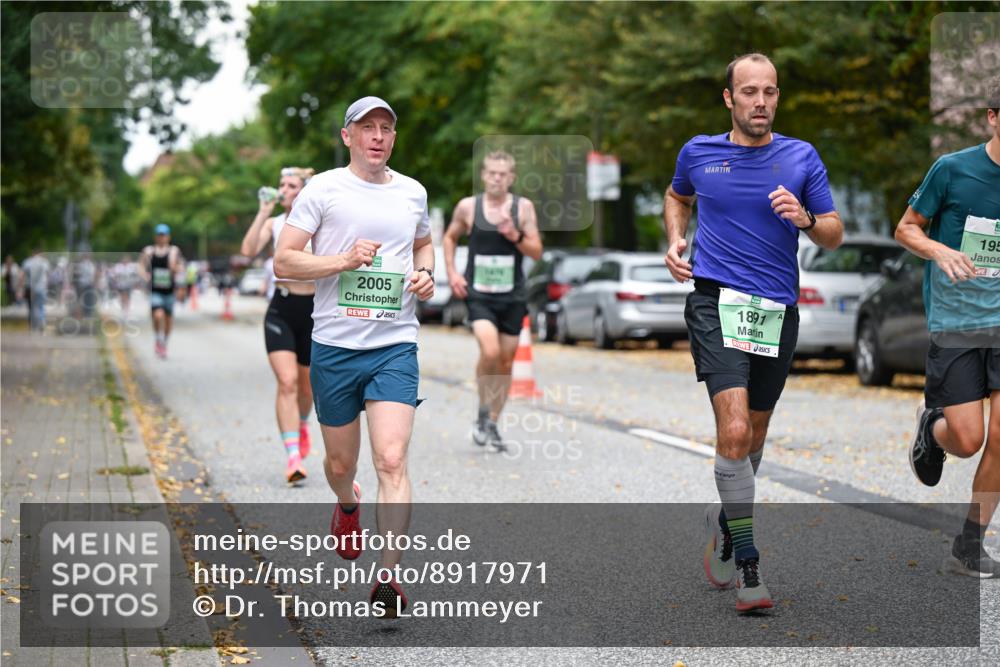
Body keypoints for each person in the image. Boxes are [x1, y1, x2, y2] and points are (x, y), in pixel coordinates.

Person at [664, 53, 843, 612]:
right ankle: (748, 566)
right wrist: (676, 238)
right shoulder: (699, 152)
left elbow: (835, 232)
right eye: (749, 92)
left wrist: (806, 220)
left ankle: (727, 521)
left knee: (754, 439)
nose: (760, 101)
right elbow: (677, 196)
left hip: (775, 309)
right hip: (715, 302)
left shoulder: (800, 157)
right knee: (735, 431)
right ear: (729, 99)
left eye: (769, 92)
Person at [276, 96, 434, 618]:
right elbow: (284, 262)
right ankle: (347, 503)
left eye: (387, 128)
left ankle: (388, 576)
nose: (378, 136)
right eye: (367, 127)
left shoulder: (413, 192)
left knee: (392, 458)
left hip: (394, 344)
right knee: (342, 463)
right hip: (335, 348)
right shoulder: (323, 189)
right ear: (347, 136)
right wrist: (343, 259)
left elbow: (424, 245)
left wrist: (426, 275)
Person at [896, 96, 1000, 578]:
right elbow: (907, 229)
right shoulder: (953, 170)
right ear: (993, 118)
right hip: (957, 322)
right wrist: (939, 250)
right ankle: (932, 428)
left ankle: (969, 544)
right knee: (967, 439)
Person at [443, 150, 543, 450]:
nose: (497, 178)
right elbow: (449, 237)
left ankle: (492, 422)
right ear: (484, 175)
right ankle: (482, 410)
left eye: (503, 174)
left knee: (506, 361)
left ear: (511, 178)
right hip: (479, 294)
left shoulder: (523, 208)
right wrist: (453, 273)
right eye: (492, 173)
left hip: (512, 296)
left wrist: (514, 235)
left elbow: (536, 251)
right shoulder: (468, 207)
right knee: (490, 350)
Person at [240, 166, 318, 484]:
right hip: (281, 309)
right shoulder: (275, 224)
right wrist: (262, 212)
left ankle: (301, 424)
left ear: (304, 190)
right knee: (286, 382)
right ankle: (293, 456)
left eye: (292, 185)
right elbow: (247, 251)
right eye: (282, 185)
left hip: (315, 312)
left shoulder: (319, 223)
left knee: (307, 386)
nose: (284, 189)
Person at [138, 224, 184, 359]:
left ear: (168, 236)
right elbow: (140, 266)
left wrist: (174, 269)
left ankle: (164, 343)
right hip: (155, 290)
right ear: (155, 236)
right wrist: (145, 275)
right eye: (159, 235)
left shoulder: (174, 251)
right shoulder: (149, 251)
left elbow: (181, 269)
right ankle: (158, 338)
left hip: (170, 291)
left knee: (168, 319)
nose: (161, 237)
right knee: (158, 315)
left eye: (164, 235)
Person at [21, 248, 51, 332]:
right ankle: (41, 322)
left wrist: (20, 287)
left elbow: (22, 275)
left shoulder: (28, 262)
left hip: (31, 287)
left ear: (33, 253)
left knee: (33, 307)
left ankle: (34, 325)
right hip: (42, 287)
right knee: (41, 306)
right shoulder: (44, 262)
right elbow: (48, 274)